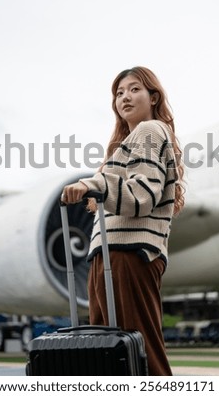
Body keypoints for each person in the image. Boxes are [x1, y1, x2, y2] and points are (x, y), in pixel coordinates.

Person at [61, 66, 185, 375]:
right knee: (111, 359)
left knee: (143, 355)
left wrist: (93, 184)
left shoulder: (151, 130)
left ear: (153, 96)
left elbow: (142, 195)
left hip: (129, 255)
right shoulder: (125, 143)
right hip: (108, 254)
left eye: (134, 89)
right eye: (119, 93)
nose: (124, 97)